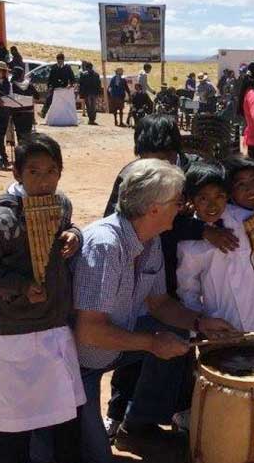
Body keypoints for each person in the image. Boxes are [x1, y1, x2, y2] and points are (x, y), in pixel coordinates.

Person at [72, 159, 236, 463]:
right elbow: (89, 332)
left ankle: (139, 421)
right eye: (179, 202)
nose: (184, 208)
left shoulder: (150, 240)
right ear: (153, 208)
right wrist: (150, 343)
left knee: (178, 334)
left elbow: (159, 304)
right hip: (82, 362)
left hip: (117, 341)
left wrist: (200, 322)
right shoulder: (106, 245)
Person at [0, 133, 86, 463]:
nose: (44, 180)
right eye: (34, 172)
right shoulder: (4, 218)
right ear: (17, 173)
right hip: (16, 328)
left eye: (52, 171)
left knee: (64, 400)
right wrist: (18, 287)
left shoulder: (60, 204)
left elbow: (72, 228)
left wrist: (74, 236)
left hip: (54, 323)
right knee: (19, 406)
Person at [101, 117, 239, 440]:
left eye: (163, 157)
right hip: (141, 269)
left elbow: (210, 203)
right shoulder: (130, 176)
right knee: (130, 338)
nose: (156, 166)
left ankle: (178, 410)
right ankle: (117, 411)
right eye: (148, 157)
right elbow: (117, 219)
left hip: (178, 271)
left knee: (180, 344)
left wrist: (201, 227)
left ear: (175, 153)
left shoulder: (191, 174)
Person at [178, 161, 254, 349]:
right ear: (191, 200)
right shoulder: (189, 245)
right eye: (203, 199)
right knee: (231, 369)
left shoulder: (247, 220)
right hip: (222, 320)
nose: (212, 205)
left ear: (228, 196)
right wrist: (201, 324)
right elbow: (188, 290)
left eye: (219, 196)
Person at [41, 53, 76, 119]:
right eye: (58, 61)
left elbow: (72, 78)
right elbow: (50, 78)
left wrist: (70, 85)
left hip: (64, 88)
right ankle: (43, 113)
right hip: (55, 87)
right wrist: (49, 86)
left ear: (63, 60)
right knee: (49, 98)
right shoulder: (53, 67)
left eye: (60, 61)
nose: (59, 62)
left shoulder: (67, 67)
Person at [9, 66, 38, 144]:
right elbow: (37, 97)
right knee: (27, 133)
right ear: (22, 75)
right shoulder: (29, 85)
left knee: (19, 133)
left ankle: (21, 149)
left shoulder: (11, 85)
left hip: (16, 113)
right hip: (29, 113)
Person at [78, 61, 102, 125]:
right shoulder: (96, 75)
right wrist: (99, 93)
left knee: (89, 107)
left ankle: (91, 120)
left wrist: (81, 94)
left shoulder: (83, 74)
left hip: (87, 93)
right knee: (93, 107)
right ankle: (92, 119)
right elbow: (99, 84)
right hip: (94, 93)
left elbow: (81, 85)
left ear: (86, 68)